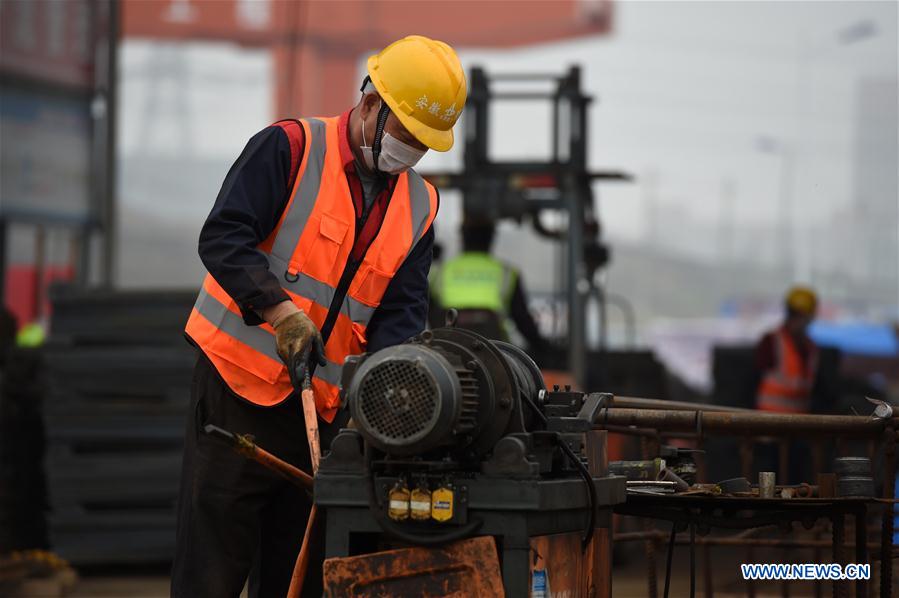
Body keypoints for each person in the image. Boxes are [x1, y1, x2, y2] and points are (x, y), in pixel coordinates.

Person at [173, 35, 466, 597]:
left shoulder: (420, 206)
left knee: (299, 577)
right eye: (405, 134)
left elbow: (399, 316)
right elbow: (224, 237)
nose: (410, 152)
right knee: (210, 573)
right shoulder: (290, 147)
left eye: (423, 145)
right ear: (371, 101)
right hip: (236, 398)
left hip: (324, 420)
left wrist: (383, 404)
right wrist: (279, 310)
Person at [430, 219, 548, 355]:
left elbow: (428, 313)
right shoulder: (507, 273)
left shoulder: (439, 271)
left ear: (462, 237)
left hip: (447, 347)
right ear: (491, 238)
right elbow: (522, 320)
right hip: (495, 349)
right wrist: (543, 349)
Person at [754, 285, 819, 414]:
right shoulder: (771, 342)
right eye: (794, 314)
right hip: (769, 422)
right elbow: (752, 383)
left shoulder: (812, 349)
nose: (798, 321)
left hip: (800, 424)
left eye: (802, 316)